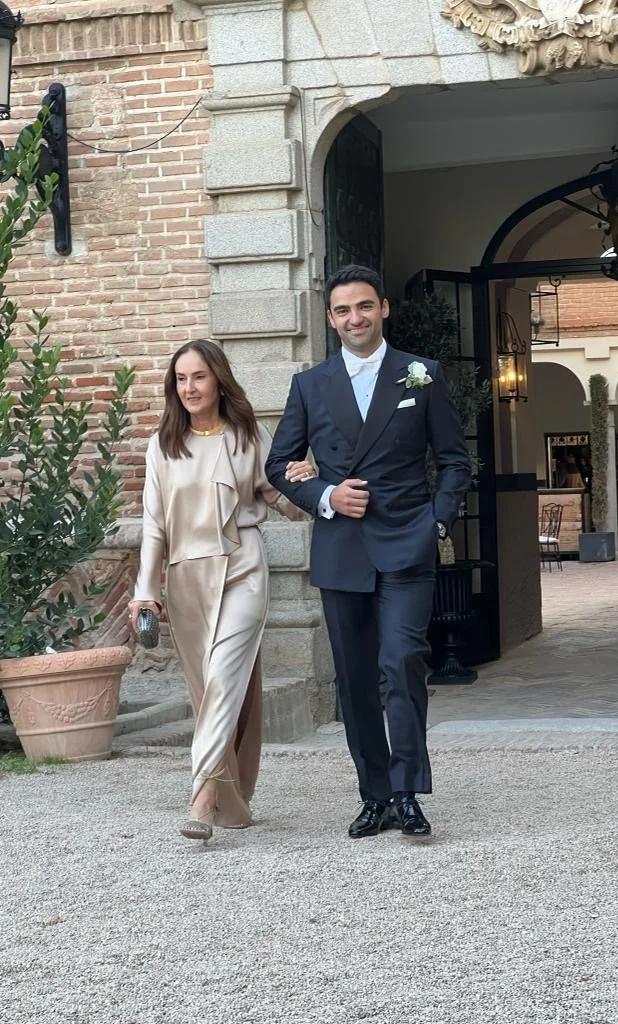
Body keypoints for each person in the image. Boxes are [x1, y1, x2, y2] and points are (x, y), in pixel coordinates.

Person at [265, 264, 471, 840]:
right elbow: (277, 463)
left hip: (408, 543)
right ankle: (374, 794)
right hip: (341, 549)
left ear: (383, 308)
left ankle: (408, 792)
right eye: (342, 311)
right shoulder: (310, 384)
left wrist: (437, 520)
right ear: (331, 321)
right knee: (355, 679)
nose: (354, 318)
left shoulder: (420, 375)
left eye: (364, 306)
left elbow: (454, 459)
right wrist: (325, 494)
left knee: (401, 662)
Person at [128, 340, 315, 841]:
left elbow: (281, 497)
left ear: (219, 381)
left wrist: (309, 484)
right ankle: (233, 798)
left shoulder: (250, 436)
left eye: (199, 377)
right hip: (186, 577)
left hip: (243, 569)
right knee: (212, 689)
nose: (189, 388)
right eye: (181, 379)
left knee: (227, 675)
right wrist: (145, 590)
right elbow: (153, 526)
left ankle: (203, 795)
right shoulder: (162, 445)